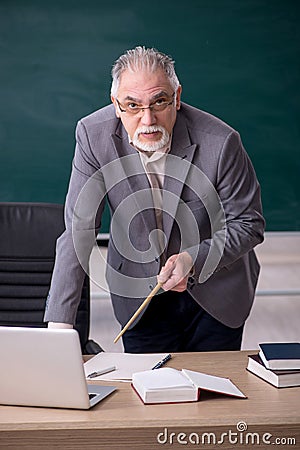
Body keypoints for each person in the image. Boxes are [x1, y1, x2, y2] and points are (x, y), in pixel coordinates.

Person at [44, 46, 265, 352]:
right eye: (132, 105)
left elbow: (248, 223)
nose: (147, 119)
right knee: (145, 393)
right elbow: (78, 230)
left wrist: (191, 260)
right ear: (116, 104)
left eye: (158, 102)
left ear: (176, 97)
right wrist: (59, 326)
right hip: (139, 294)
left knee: (213, 394)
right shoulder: (93, 136)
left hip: (216, 291)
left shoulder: (222, 141)